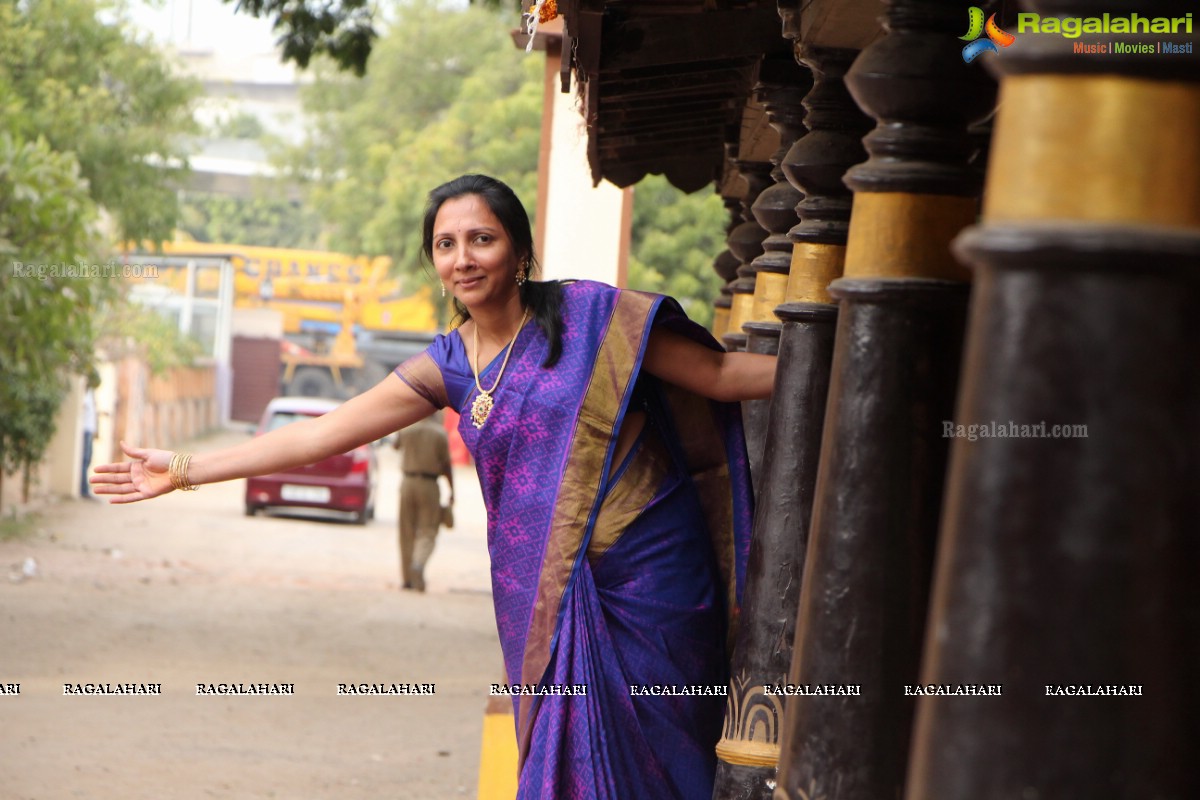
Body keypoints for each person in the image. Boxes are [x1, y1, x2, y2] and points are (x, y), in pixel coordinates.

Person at [92, 174, 776, 799]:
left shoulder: (592, 320)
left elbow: (717, 379)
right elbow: (319, 433)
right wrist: (184, 470)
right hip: (546, 597)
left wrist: (847, 356)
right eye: (446, 245)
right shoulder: (449, 365)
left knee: (670, 752)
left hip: (653, 576)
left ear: (519, 251)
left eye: (482, 239)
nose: (464, 259)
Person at [393, 410, 454, 591]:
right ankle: (418, 564)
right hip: (429, 485)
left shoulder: (407, 430)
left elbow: (395, 446)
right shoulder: (440, 434)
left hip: (407, 483)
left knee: (406, 532)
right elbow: (447, 465)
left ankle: (407, 579)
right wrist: (452, 490)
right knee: (428, 530)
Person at [80, 369, 100, 500]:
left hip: (90, 429)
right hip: (86, 429)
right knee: (84, 460)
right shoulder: (85, 392)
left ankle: (84, 488)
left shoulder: (91, 392)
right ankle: (83, 490)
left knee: (88, 460)